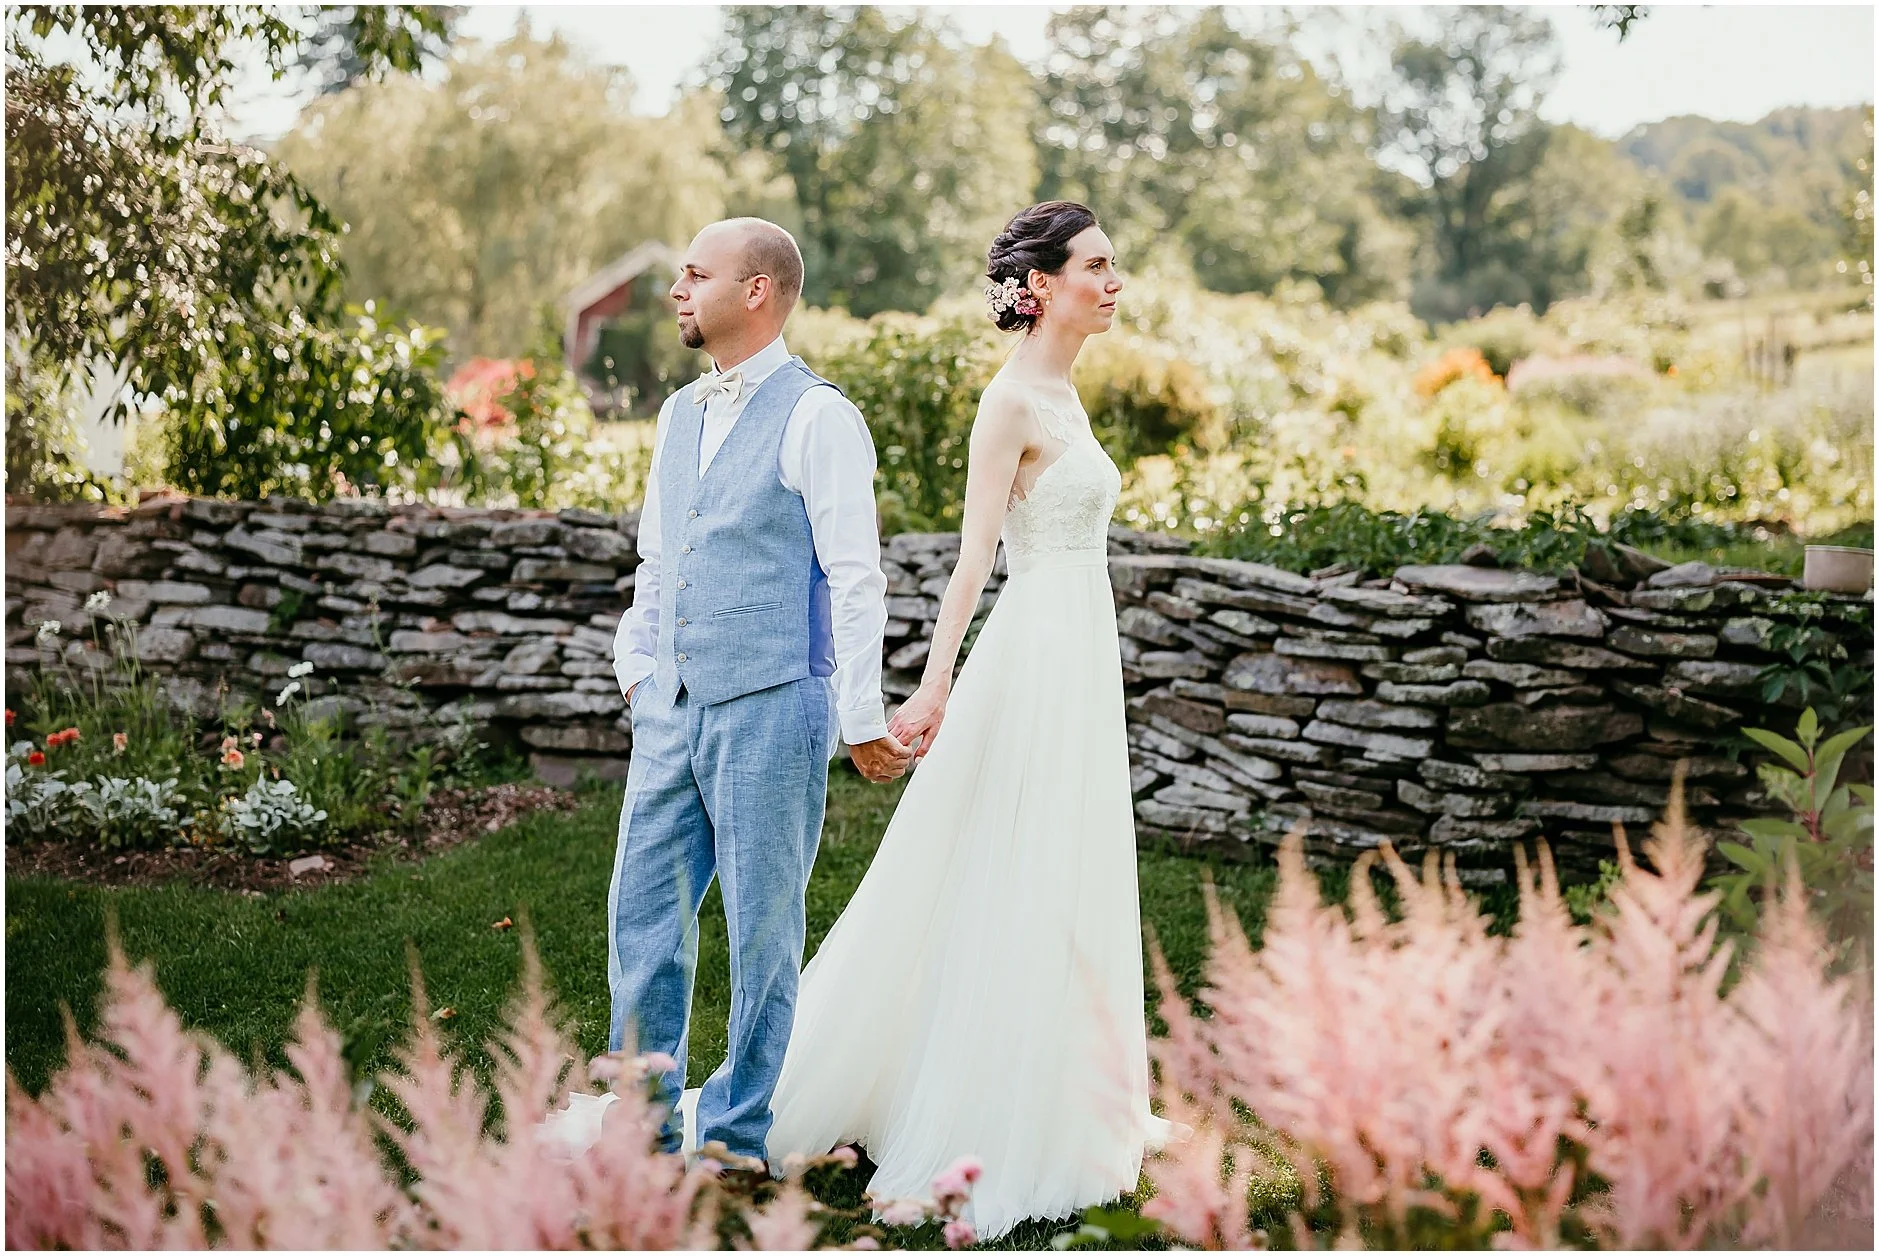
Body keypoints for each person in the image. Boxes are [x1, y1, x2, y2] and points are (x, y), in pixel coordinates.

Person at [756, 201, 1180, 1241]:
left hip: (1083, 648)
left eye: (1115, 265)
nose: (1115, 281)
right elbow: (973, 557)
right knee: (1011, 861)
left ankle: (1076, 1094)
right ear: (1038, 285)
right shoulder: (1008, 403)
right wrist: (935, 683)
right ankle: (983, 1109)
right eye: (1098, 264)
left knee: (1070, 861)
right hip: (1033, 651)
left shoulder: (1066, 394)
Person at [563, 217, 913, 1176]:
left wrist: (858, 717)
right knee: (641, 914)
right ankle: (641, 1124)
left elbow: (855, 577)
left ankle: (736, 1134)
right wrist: (637, 671)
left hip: (771, 702)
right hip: (670, 706)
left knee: (763, 927)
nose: (676, 290)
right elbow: (656, 558)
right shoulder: (679, 414)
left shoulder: (817, 416)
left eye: (694, 274)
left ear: (755, 290)